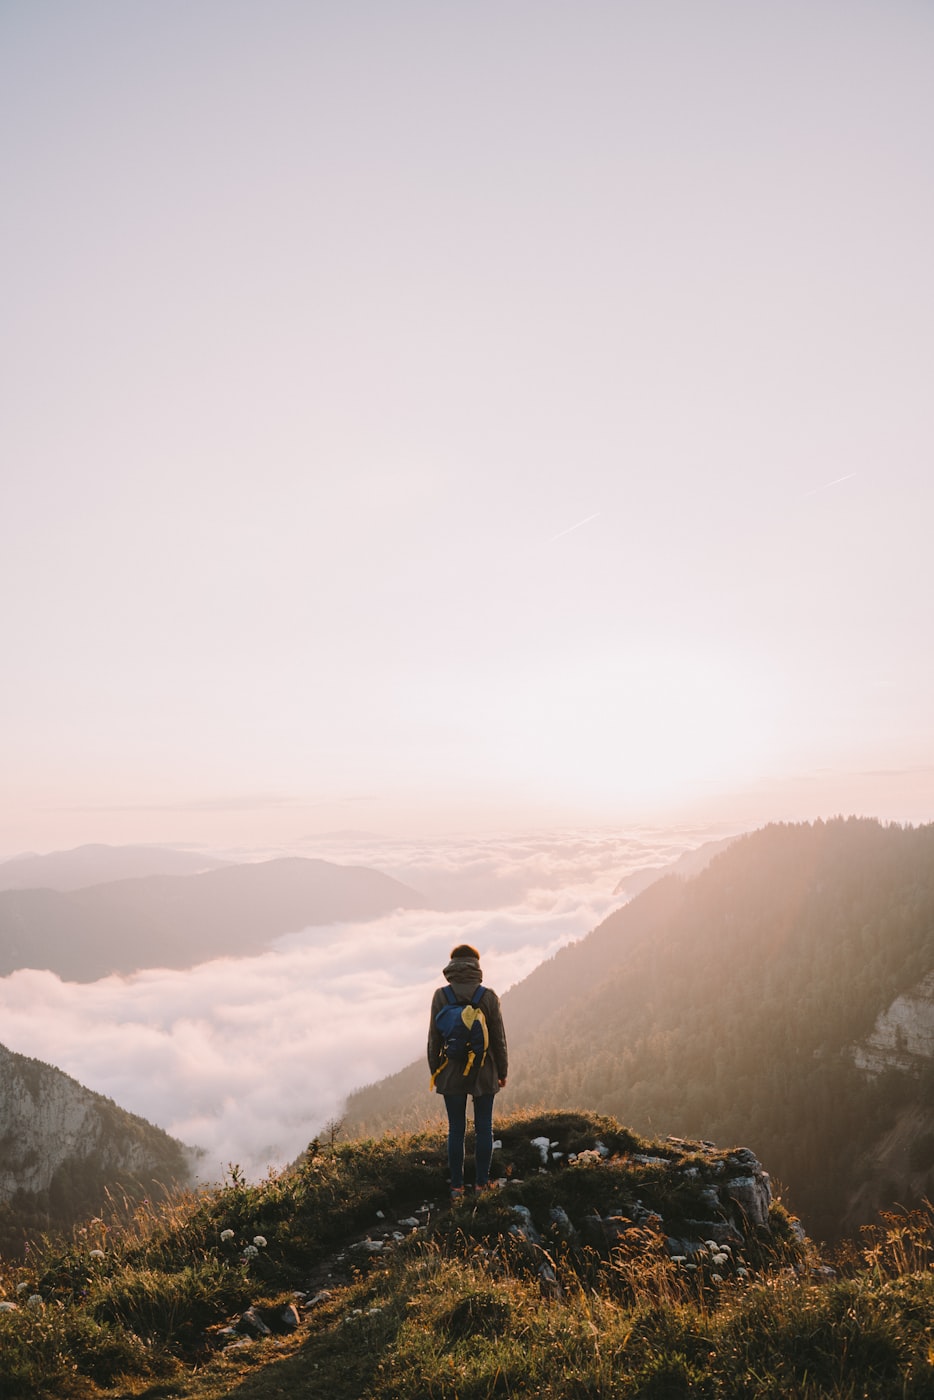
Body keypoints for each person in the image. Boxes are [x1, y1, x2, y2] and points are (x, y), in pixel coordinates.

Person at [427, 943, 508, 1200]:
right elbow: (498, 1040)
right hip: (484, 1071)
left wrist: (436, 1072)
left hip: (451, 1071)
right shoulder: (488, 996)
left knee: (456, 1129)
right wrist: (502, 1071)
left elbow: (433, 1041)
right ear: (476, 966)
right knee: (484, 1127)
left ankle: (457, 1187)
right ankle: (482, 1184)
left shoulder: (441, 996)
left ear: (451, 966)